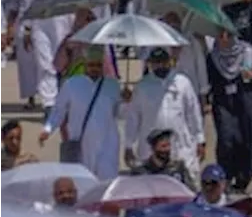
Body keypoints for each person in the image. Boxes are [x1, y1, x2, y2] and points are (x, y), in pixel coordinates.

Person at [124, 47, 205, 185]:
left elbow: (193, 112)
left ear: (169, 62)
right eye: (156, 63)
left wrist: (200, 139)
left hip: (179, 145)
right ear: (150, 64)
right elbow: (133, 117)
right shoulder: (142, 86)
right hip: (151, 148)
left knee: (185, 185)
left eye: (163, 62)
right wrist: (128, 145)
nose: (160, 66)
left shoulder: (182, 82)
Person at [38, 45, 121, 179]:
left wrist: (128, 101)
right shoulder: (72, 84)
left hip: (108, 142)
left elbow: (119, 112)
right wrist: (48, 129)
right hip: (81, 142)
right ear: (85, 64)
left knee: (107, 180)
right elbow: (58, 110)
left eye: (98, 65)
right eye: (91, 65)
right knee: (83, 182)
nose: (95, 68)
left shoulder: (112, 85)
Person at [206, 28, 252, 192]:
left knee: (246, 138)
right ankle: (226, 175)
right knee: (226, 139)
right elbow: (210, 81)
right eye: (220, 35)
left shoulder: (249, 51)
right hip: (223, 102)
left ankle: (243, 178)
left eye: (228, 35)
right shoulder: (213, 57)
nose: (224, 39)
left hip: (245, 100)